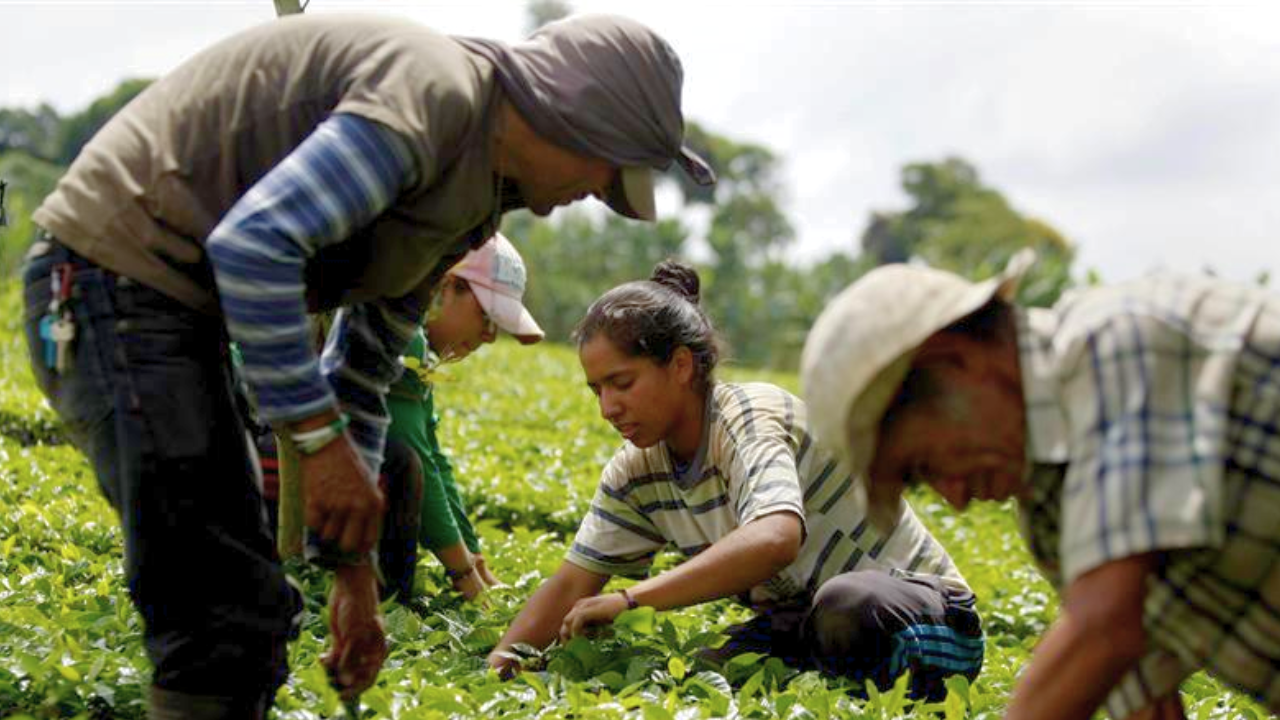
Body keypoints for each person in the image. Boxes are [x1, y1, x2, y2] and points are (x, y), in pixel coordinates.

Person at [21, 12, 714, 718]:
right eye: (606, 168)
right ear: (571, 115)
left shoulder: (473, 204)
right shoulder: (435, 99)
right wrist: (320, 446)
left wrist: (355, 578)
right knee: (218, 609)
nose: (599, 192)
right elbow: (254, 248)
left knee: (249, 620)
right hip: (110, 280)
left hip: (177, 311)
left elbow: (360, 366)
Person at [799, 253, 1279, 719]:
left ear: (955, 362)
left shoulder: (1116, 342)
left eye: (925, 465)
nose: (956, 499)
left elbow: (1105, 628)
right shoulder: (1052, 513)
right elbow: (1138, 692)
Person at [487, 260, 984, 699]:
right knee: (696, 677)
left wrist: (630, 600)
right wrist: (498, 670)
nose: (607, 408)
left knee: (846, 607)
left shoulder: (749, 417)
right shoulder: (636, 470)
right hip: (804, 624)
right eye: (597, 390)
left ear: (680, 365)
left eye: (622, 383)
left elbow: (775, 537)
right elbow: (573, 581)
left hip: (925, 618)